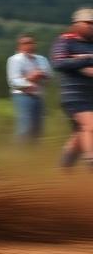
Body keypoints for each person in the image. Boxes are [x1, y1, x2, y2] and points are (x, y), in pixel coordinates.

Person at [50, 9, 93, 169]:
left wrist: (78, 59)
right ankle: (91, 162)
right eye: (88, 23)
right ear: (76, 24)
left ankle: (64, 170)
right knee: (90, 126)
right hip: (74, 95)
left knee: (80, 136)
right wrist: (86, 61)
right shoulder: (65, 41)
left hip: (91, 95)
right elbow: (59, 63)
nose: (91, 26)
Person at [6, 35, 51, 140]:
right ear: (19, 46)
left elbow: (48, 75)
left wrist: (39, 76)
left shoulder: (41, 59)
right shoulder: (15, 60)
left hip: (38, 95)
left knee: (38, 127)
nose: (29, 46)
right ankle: (21, 152)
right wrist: (30, 79)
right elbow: (14, 81)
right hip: (22, 95)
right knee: (25, 126)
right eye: (25, 43)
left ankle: (34, 152)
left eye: (31, 43)